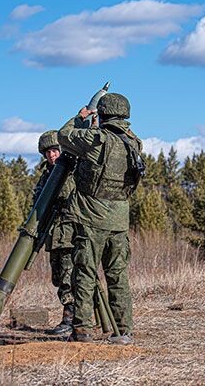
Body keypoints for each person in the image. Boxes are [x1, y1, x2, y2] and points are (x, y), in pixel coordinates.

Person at [57, 93, 144, 345]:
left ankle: (82, 331)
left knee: (84, 273)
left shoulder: (96, 139)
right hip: (119, 219)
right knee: (118, 275)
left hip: (92, 218)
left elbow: (64, 136)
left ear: (102, 113)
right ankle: (124, 331)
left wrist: (81, 117)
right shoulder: (134, 143)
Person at [34, 130, 76, 335]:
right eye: (47, 153)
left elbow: (68, 195)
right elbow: (38, 201)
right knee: (59, 278)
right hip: (54, 233)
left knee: (69, 277)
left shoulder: (71, 171)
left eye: (54, 150)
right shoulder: (47, 175)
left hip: (70, 232)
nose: (51, 156)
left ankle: (71, 319)